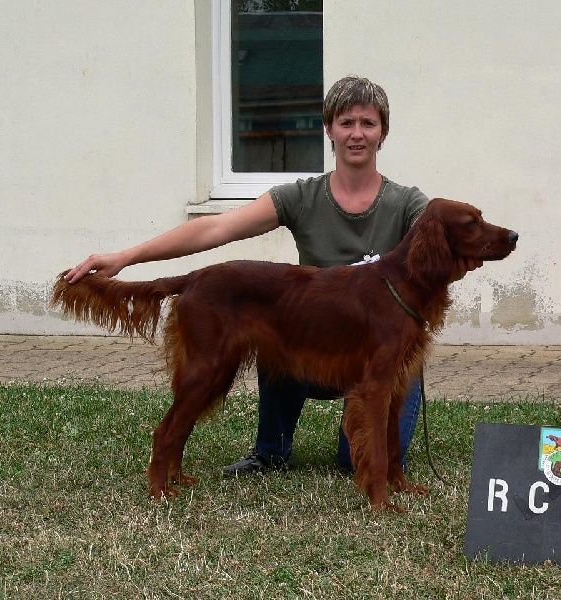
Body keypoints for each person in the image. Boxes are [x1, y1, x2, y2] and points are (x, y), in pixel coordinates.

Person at [65, 76, 482, 476]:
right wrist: (127, 256)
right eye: (346, 122)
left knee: (356, 460)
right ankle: (270, 451)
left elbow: (433, 263)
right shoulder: (301, 196)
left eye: (368, 123)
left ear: (382, 133)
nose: (357, 133)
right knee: (272, 325)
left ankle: (355, 454)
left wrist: (456, 269)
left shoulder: (409, 204)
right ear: (329, 130)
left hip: (374, 354)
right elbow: (216, 229)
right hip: (310, 347)